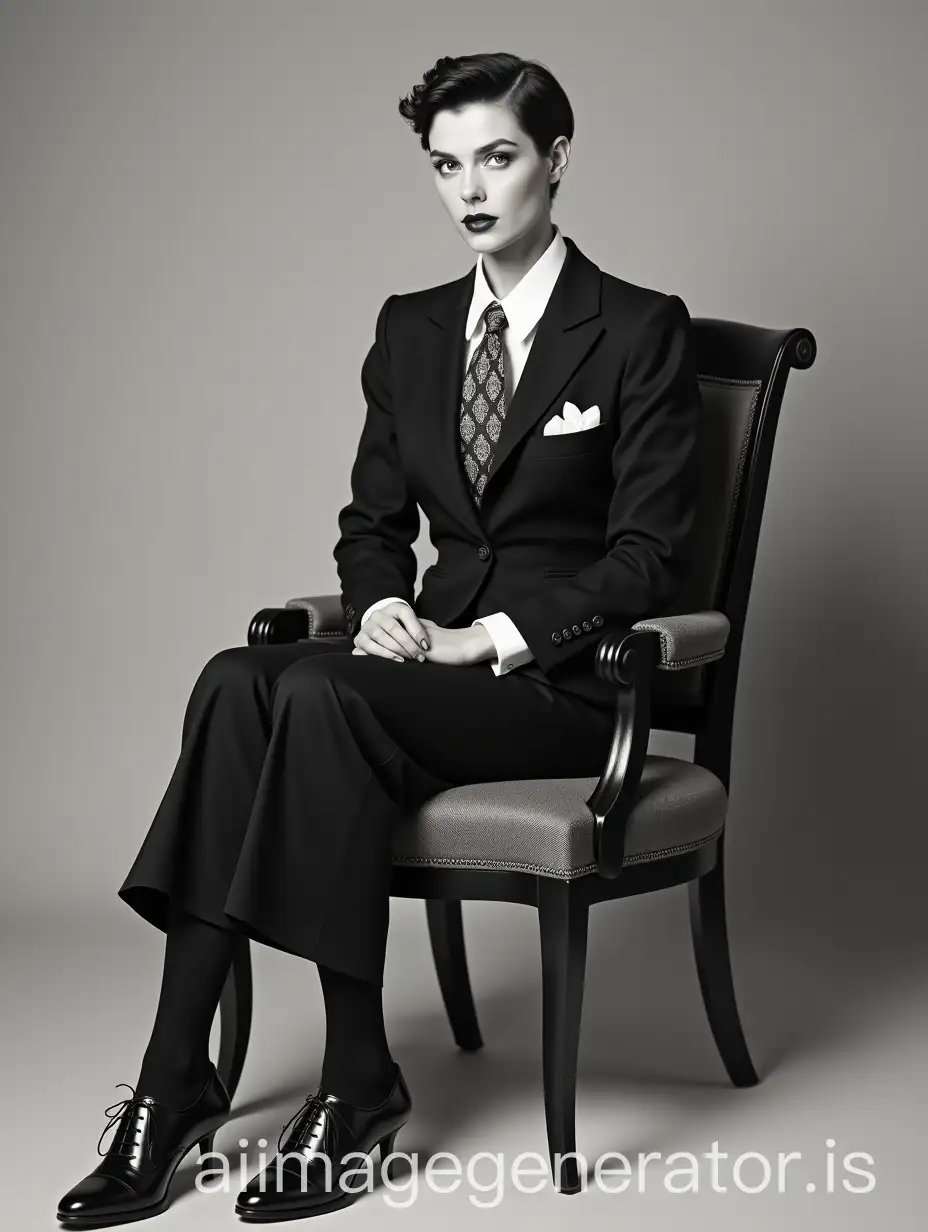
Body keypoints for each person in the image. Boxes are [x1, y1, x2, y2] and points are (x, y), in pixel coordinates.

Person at [57, 50, 701, 1226]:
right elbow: (371, 524)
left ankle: (350, 1076)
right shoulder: (410, 329)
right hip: (424, 665)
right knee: (234, 679)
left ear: (555, 161)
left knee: (315, 700)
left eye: (496, 158)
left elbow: (644, 556)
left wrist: (486, 636)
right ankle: (176, 1076)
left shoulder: (637, 330)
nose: (471, 189)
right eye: (446, 165)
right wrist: (383, 603)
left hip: (552, 682)